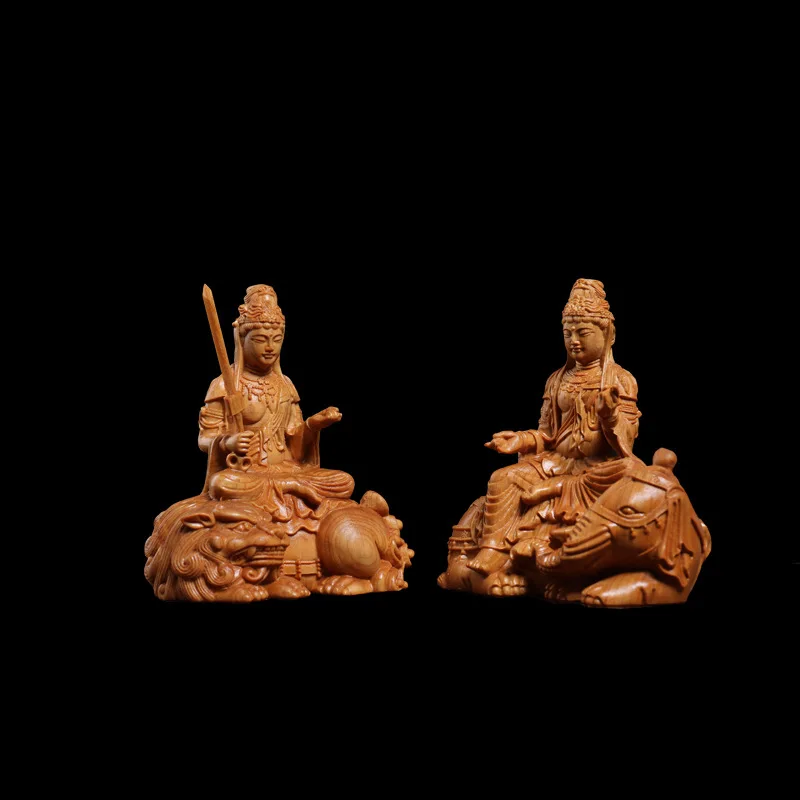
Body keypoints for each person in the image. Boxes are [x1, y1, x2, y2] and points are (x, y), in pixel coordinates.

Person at [455, 278, 642, 595]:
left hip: (597, 468)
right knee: (502, 478)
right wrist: (520, 440)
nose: (574, 341)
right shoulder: (557, 379)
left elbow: (626, 444)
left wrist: (609, 415)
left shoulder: (620, 380)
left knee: (629, 471)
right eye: (568, 334)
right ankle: (493, 549)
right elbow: (547, 435)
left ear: (607, 334)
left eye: (583, 333)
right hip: (556, 463)